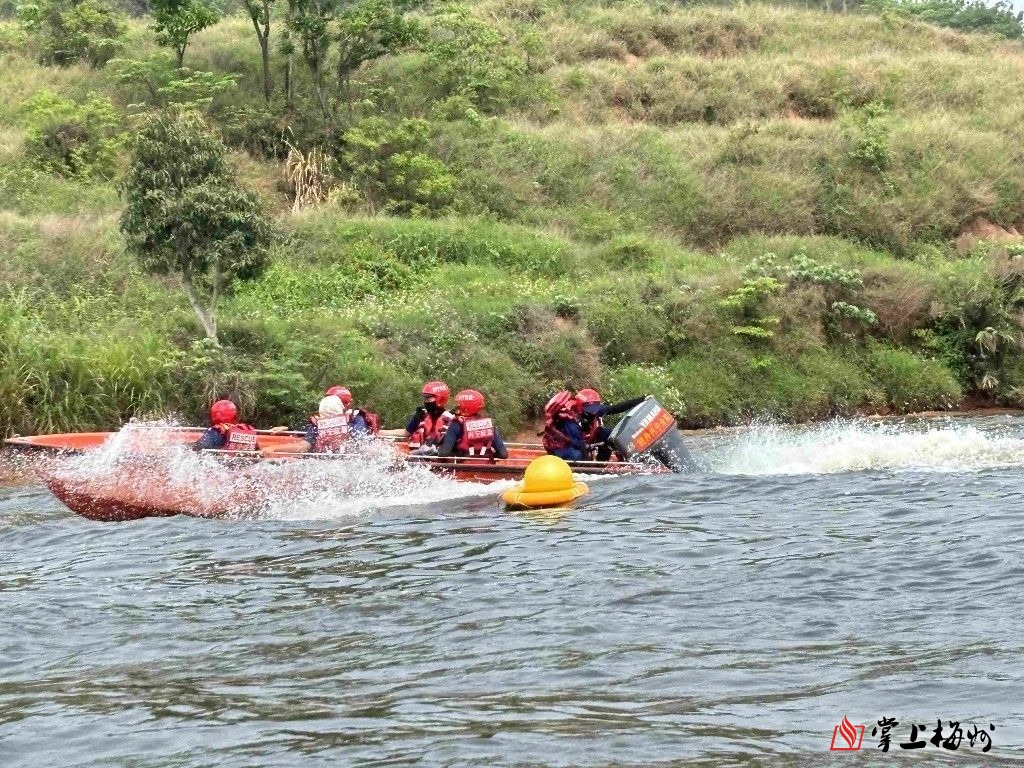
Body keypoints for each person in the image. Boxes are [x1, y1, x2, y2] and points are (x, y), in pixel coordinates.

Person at [380, 380, 454, 452]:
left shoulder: (450, 419)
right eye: (425, 398)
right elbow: (406, 432)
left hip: (435, 455)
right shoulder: (421, 414)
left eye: (428, 398)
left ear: (440, 398)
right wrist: (379, 432)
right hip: (417, 453)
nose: (426, 401)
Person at [575, 388, 647, 461]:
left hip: (596, 435)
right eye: (590, 409)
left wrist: (641, 399)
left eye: (594, 409)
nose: (593, 412)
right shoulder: (574, 418)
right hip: (580, 441)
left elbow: (617, 408)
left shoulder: (597, 410)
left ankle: (628, 456)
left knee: (611, 434)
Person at [438, 389, 508, 459]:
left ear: (465, 407)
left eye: (459, 405)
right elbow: (503, 454)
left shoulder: (456, 424)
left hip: (463, 464)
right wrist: (490, 455)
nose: (457, 407)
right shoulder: (489, 425)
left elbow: (444, 453)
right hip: (487, 465)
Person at [541, 389, 589, 462]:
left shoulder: (571, 419)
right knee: (578, 454)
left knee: (581, 449)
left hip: (561, 448)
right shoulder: (568, 421)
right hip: (560, 450)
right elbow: (576, 443)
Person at [192, 399, 258, 452]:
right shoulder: (246, 429)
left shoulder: (217, 431)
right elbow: (256, 450)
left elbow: (199, 446)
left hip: (223, 462)